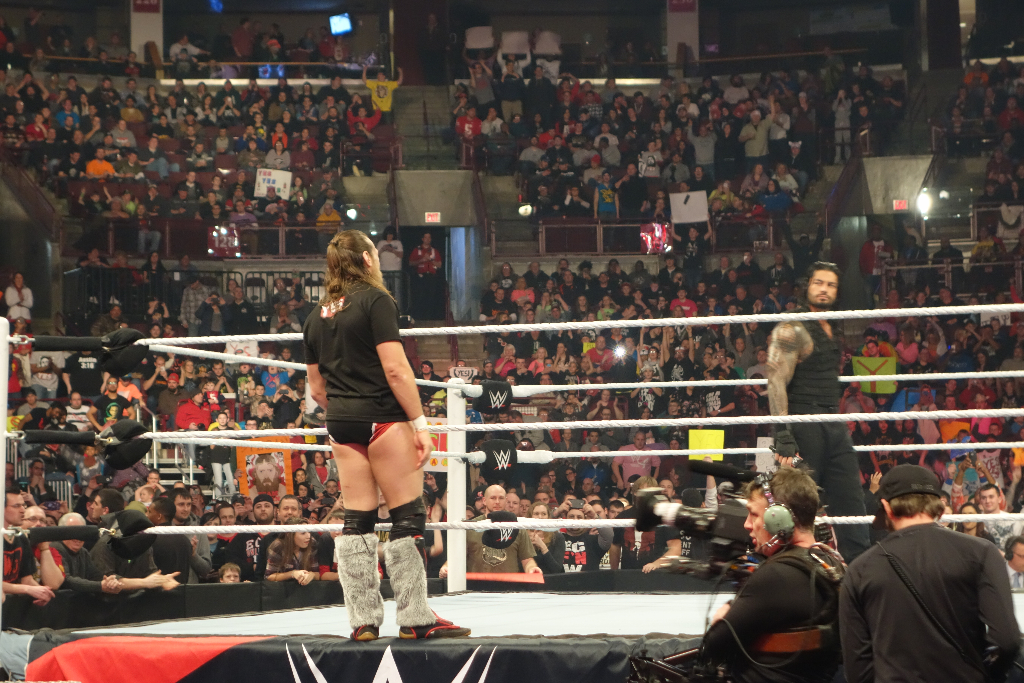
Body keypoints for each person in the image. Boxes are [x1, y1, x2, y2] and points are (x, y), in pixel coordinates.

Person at [303, 230, 469, 640]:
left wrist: (349, 406)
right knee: (408, 516)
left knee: (356, 519)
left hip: (341, 423)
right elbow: (395, 369)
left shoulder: (315, 315)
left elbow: (317, 390)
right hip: (382, 418)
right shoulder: (376, 300)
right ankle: (414, 618)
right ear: (366, 259)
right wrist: (421, 424)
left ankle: (363, 620)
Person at [839, 465, 1020, 683]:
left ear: (886, 508)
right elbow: (1007, 640)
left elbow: (857, 667)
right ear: (939, 508)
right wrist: (987, 675)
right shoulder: (981, 552)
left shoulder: (860, 569)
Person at [702, 467, 845, 683]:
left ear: (779, 520)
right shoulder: (833, 563)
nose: (746, 524)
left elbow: (712, 647)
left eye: (754, 514)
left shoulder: (776, 576)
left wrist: (724, 613)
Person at [766, 262, 869, 561]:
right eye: (819, 282)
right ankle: (790, 570)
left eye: (831, 284)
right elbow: (776, 380)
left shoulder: (831, 326)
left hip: (832, 422)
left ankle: (858, 573)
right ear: (807, 286)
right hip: (804, 422)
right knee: (799, 504)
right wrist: (783, 433)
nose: (824, 289)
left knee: (852, 501)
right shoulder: (793, 327)